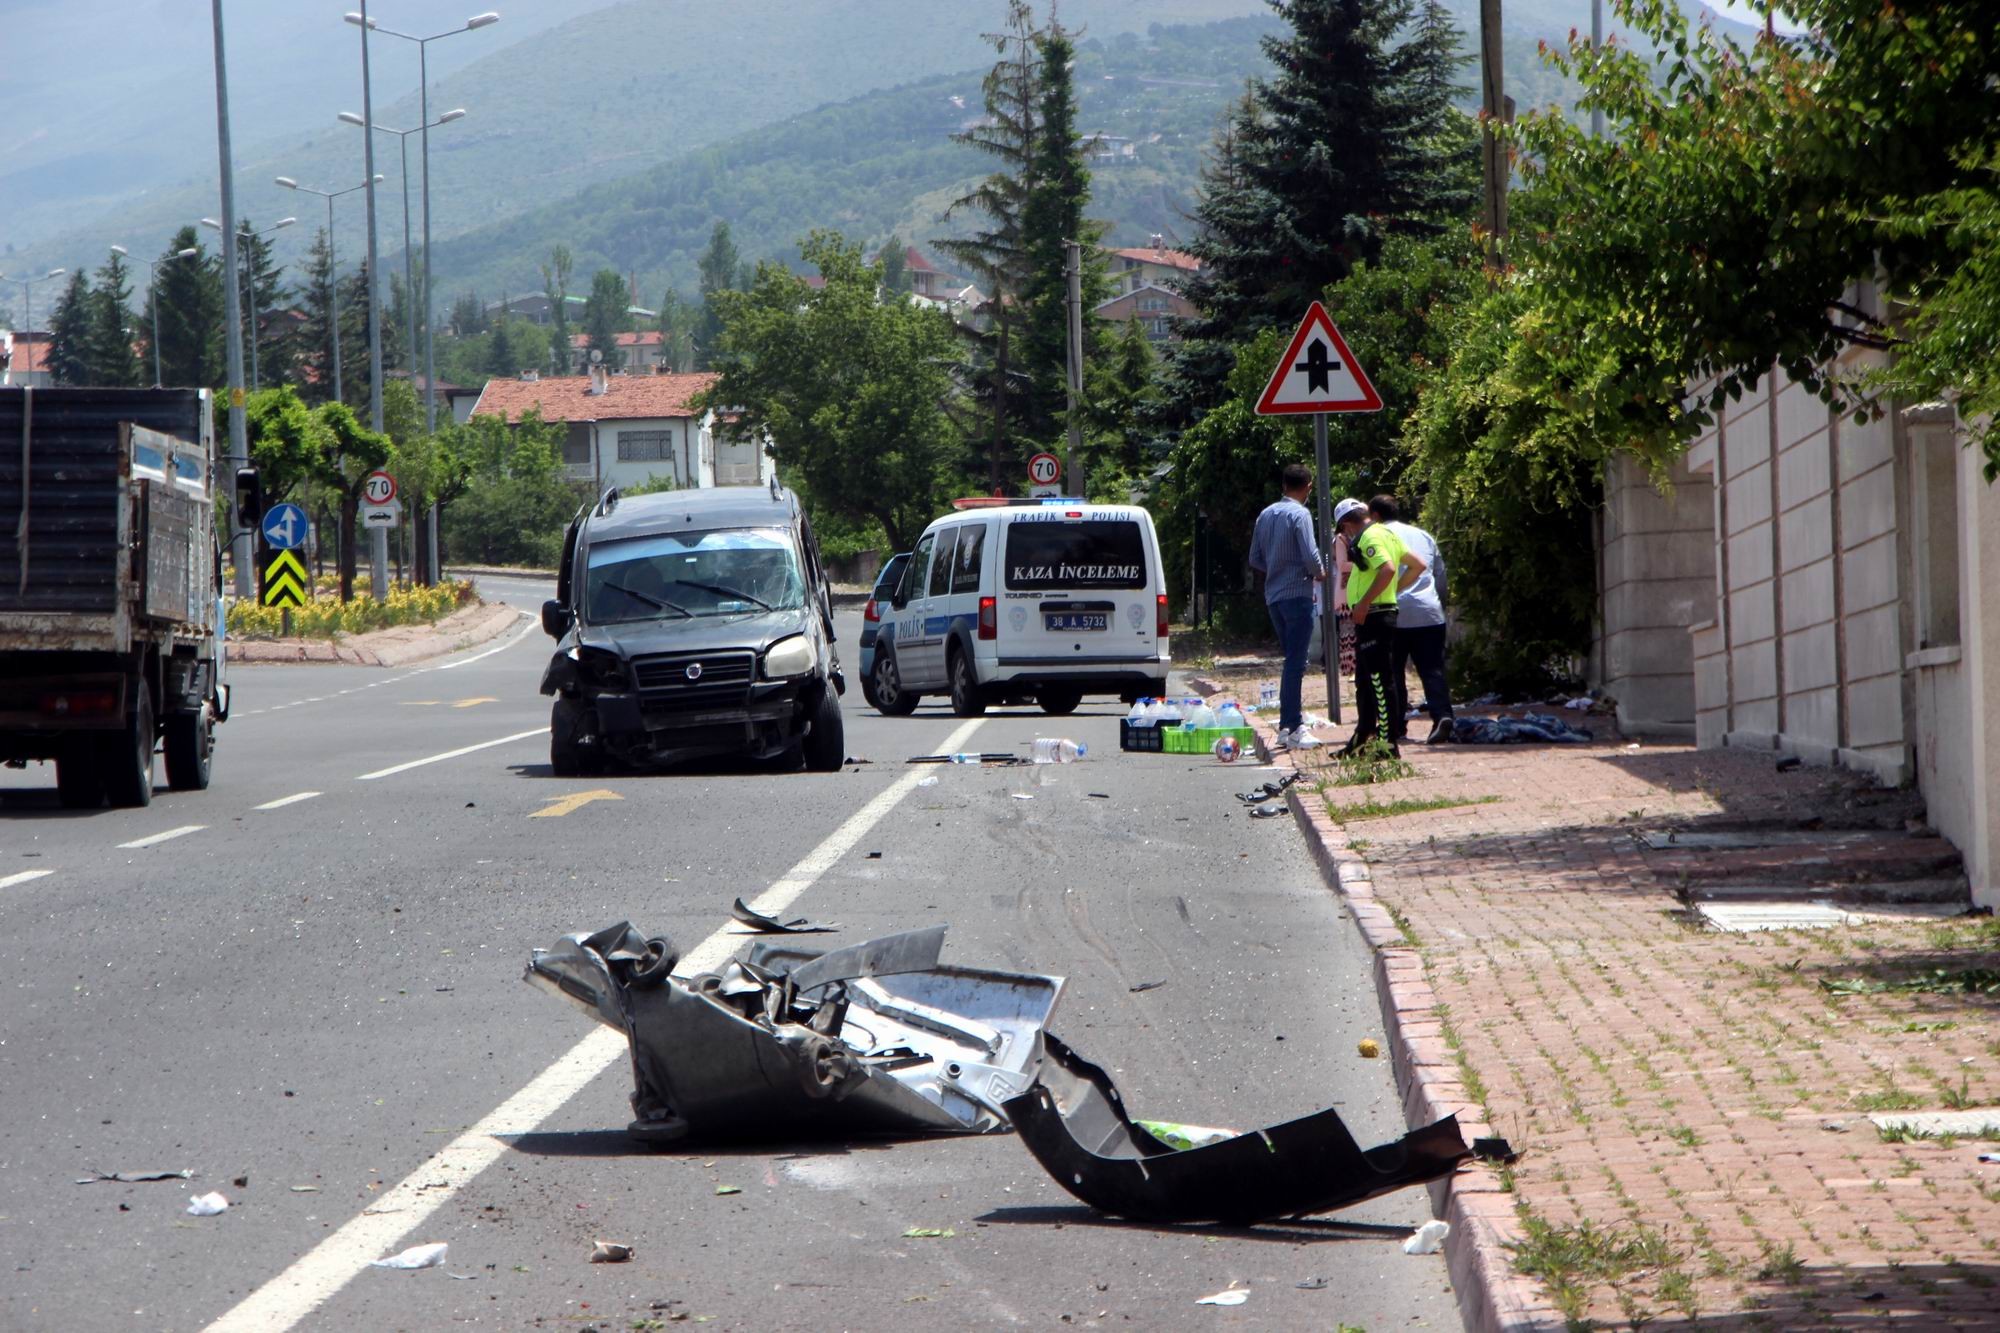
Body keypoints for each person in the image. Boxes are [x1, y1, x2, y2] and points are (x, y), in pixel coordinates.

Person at [1333, 497, 1425, 757]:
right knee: (1364, 680)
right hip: (1373, 614)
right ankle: (1362, 738)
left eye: (1343, 530)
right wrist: (1393, 589)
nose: (1346, 535)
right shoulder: (1387, 533)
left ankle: (1387, 743)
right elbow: (1418, 565)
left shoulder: (1370, 536)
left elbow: (1387, 569)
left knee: (1379, 680)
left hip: (1374, 616)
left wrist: (1365, 601)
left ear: (1348, 524)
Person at [1246, 462, 1326, 750]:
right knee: (1296, 662)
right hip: (1297, 594)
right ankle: (1292, 725)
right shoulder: (1300, 514)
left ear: (1283, 486)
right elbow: (1310, 552)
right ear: (1307, 487)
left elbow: (1255, 557)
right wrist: (1319, 572)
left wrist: (1276, 565)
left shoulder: (1265, 515)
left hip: (1274, 597)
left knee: (1293, 660)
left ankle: (1287, 725)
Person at [1369, 495, 1454, 744]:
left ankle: (1395, 724)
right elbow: (1440, 577)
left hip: (1392, 613)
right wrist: (1439, 605)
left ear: (1374, 516)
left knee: (1393, 672)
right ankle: (1442, 716)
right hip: (1429, 612)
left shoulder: (1375, 537)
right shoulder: (1423, 536)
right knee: (1432, 669)